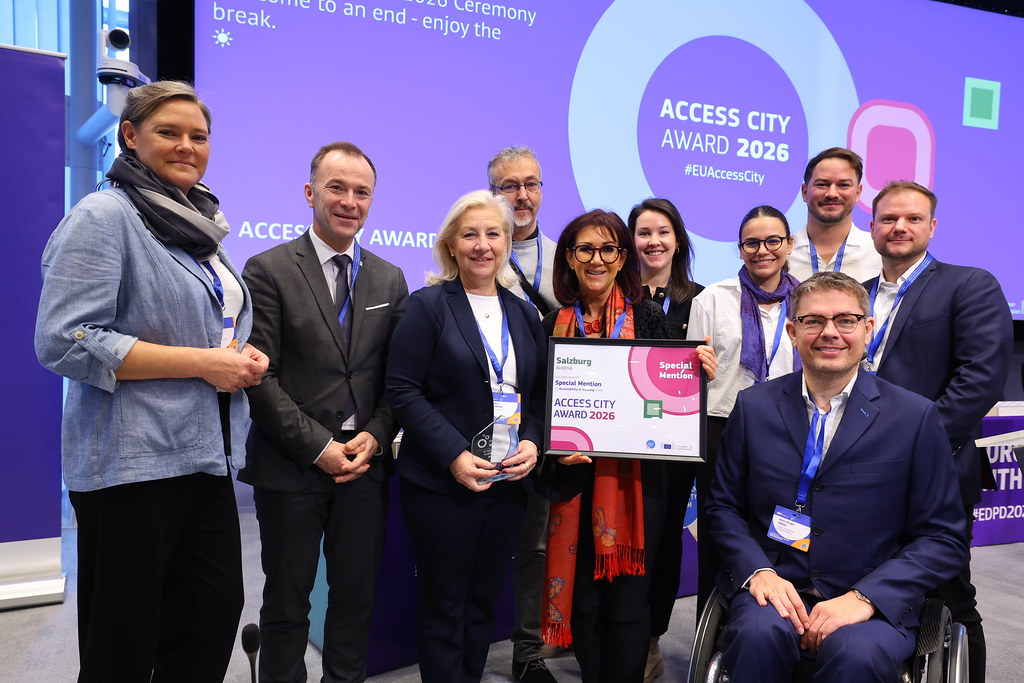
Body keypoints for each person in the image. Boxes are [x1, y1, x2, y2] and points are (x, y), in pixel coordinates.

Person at [34, 80, 268, 682]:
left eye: (199, 136)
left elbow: (202, 323)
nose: (187, 146)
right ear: (131, 137)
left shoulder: (200, 225)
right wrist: (202, 363)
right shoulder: (105, 216)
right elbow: (64, 339)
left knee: (212, 617)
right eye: (170, 132)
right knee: (125, 642)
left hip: (204, 456)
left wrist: (238, 356)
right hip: (129, 464)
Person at [705, 271, 969, 683]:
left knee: (855, 655)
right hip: (776, 588)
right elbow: (722, 507)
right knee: (757, 638)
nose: (830, 333)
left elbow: (943, 537)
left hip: (870, 599)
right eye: (814, 321)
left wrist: (866, 598)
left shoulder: (915, 418)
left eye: (845, 320)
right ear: (793, 332)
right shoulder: (753, 407)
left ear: (868, 329)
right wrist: (760, 573)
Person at [239, 141, 408, 683]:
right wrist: (319, 447)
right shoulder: (267, 269)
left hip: (364, 466)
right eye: (337, 187)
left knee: (354, 600)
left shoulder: (389, 278)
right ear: (310, 193)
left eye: (362, 192)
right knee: (287, 604)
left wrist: (377, 436)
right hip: (291, 467)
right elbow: (258, 375)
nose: (349, 201)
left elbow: (396, 379)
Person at [541, 209, 714, 682]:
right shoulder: (552, 323)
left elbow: (672, 394)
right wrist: (551, 447)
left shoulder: (649, 317)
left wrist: (696, 376)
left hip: (640, 484)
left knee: (630, 596)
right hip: (574, 477)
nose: (597, 259)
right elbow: (539, 407)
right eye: (585, 249)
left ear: (622, 259)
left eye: (609, 249)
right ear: (569, 259)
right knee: (585, 598)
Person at [385, 190, 547, 683]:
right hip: (442, 485)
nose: (482, 245)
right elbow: (402, 391)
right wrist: (454, 453)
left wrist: (534, 443)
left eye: (493, 234)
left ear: (507, 242)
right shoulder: (427, 306)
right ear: (451, 245)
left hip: (506, 484)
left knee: (482, 605)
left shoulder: (524, 314)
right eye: (470, 234)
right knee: (444, 605)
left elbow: (537, 396)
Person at [864, 181, 1013, 683]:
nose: (899, 227)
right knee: (867, 583)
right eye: (888, 219)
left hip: (932, 469)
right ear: (873, 227)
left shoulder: (969, 284)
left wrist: (911, 449)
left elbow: (980, 379)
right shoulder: (856, 295)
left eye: (911, 218)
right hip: (853, 472)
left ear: (932, 227)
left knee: (947, 590)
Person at [686, 205, 801, 612]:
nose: (762, 250)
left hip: (793, 427)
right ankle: (711, 626)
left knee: (786, 531)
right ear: (739, 249)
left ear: (790, 245)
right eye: (752, 242)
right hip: (723, 427)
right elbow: (689, 377)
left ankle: (781, 621)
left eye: (773, 241)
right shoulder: (712, 299)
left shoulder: (808, 299)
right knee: (721, 531)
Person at [488, 146, 562, 683]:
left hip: (550, 419)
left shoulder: (568, 258)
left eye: (531, 184)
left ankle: (528, 653)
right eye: (509, 185)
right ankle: (466, 643)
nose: (522, 195)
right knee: (476, 538)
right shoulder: (475, 251)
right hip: (485, 421)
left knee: (535, 544)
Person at [627, 198, 704, 681]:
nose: (653, 241)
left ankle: (651, 638)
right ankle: (614, 632)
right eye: (643, 233)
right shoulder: (617, 295)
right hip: (619, 440)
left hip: (675, 448)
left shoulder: (703, 297)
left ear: (678, 239)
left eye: (662, 232)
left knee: (663, 544)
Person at [788, 147, 881, 282]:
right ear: (804, 192)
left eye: (843, 185)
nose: (832, 194)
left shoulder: (879, 253)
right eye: (822, 184)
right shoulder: (780, 254)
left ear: (858, 192)